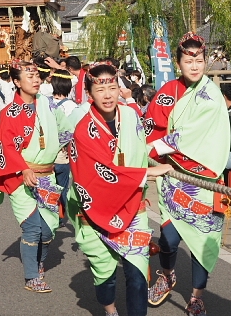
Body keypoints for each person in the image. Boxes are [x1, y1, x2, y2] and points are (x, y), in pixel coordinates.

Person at [68, 63, 175, 316]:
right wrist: (146, 172)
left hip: (133, 207)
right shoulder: (84, 129)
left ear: (120, 89)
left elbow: (143, 148)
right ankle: (110, 310)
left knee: (137, 275)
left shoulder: (130, 115)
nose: (107, 95)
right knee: (105, 277)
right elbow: (95, 174)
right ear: (89, 93)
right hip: (95, 210)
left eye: (113, 88)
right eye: (100, 89)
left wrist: (172, 161)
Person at [145, 33, 230, 315]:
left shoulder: (212, 95)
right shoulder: (168, 91)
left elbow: (196, 135)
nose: (194, 66)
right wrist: (146, 152)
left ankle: (196, 296)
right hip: (173, 176)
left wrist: (160, 145)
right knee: (169, 238)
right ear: (178, 62)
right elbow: (153, 126)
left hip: (206, 180)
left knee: (202, 242)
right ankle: (167, 274)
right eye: (188, 60)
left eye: (199, 60)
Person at [0, 61, 61, 293]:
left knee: (48, 229)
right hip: (21, 178)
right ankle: (31, 276)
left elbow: (66, 128)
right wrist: (23, 168)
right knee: (32, 228)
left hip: (47, 176)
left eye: (37, 75)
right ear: (17, 82)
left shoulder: (47, 106)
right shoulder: (9, 112)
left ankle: (38, 261)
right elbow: (6, 146)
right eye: (30, 77)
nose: (36, 80)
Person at [50, 68, 79, 226]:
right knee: (62, 186)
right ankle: (60, 217)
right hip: (63, 153)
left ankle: (49, 213)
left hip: (46, 152)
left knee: (48, 184)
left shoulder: (45, 102)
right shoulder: (72, 107)